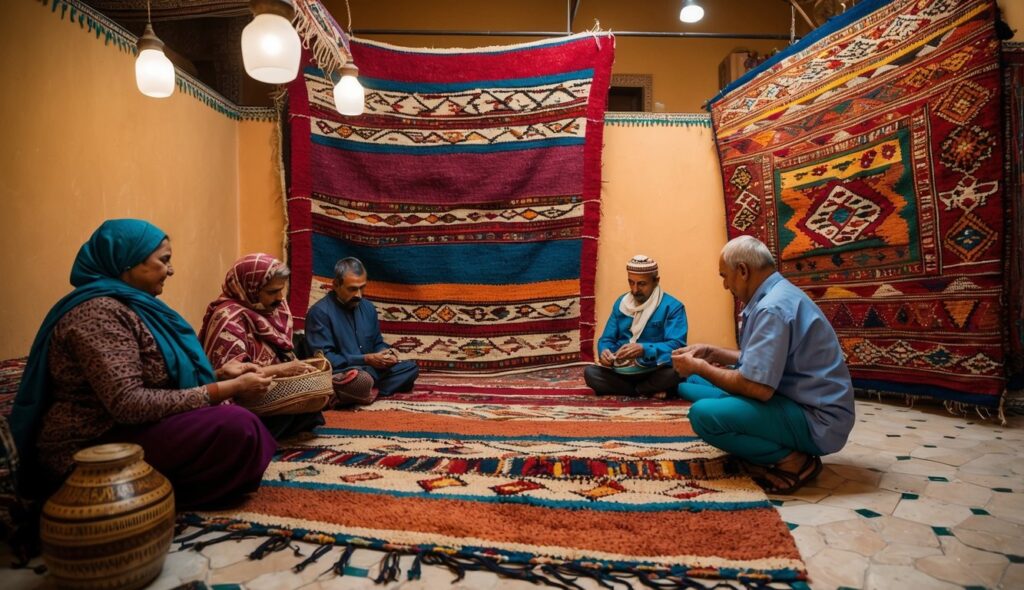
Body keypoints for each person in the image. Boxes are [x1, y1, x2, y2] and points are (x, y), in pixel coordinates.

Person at [10, 219, 277, 508]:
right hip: (93, 445)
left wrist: (219, 374)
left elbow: (150, 379)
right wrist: (226, 388)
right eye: (164, 261)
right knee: (238, 427)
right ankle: (136, 500)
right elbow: (128, 403)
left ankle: (157, 493)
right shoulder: (98, 314)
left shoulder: (133, 307)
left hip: (131, 428)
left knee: (244, 426)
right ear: (127, 263)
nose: (171, 270)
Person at [672, 236, 855, 494]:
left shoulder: (772, 307)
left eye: (725, 276)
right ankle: (758, 430)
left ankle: (794, 461)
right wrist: (710, 352)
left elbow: (757, 387)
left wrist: (700, 366)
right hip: (791, 399)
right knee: (691, 385)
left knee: (704, 415)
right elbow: (760, 361)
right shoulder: (773, 295)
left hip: (817, 420)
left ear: (743, 271)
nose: (725, 285)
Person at [198, 253, 339, 433]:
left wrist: (294, 370)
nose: (280, 297)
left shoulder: (272, 309)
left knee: (311, 412)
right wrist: (282, 370)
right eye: (272, 292)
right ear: (251, 289)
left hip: (272, 389)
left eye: (281, 289)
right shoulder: (227, 318)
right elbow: (230, 378)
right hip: (244, 397)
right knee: (244, 423)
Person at [305, 257, 419, 398]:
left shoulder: (368, 308)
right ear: (335, 285)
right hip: (344, 373)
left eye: (362, 287)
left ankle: (365, 392)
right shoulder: (319, 313)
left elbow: (377, 342)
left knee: (410, 368)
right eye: (352, 289)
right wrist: (364, 359)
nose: (358, 295)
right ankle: (364, 389)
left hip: (371, 370)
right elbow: (325, 360)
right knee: (359, 378)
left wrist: (385, 354)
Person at [584, 255, 688, 397]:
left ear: (656, 281)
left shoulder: (673, 307)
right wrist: (605, 352)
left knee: (679, 372)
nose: (634, 290)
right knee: (590, 373)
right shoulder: (621, 304)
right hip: (622, 372)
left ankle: (634, 390)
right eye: (631, 283)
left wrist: (644, 349)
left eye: (641, 284)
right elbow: (607, 339)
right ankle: (645, 390)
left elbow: (677, 347)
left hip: (655, 370)